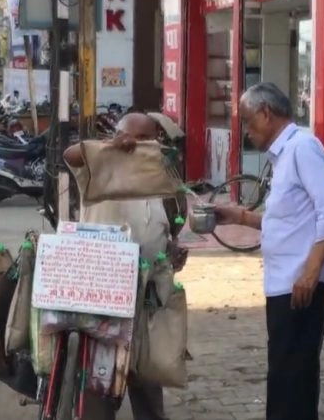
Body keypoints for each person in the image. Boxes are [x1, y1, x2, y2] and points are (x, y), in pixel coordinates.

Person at [213, 82, 324, 420]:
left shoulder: (303, 147)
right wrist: (238, 216)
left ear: (266, 113)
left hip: (300, 284)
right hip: (284, 282)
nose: (247, 131)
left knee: (294, 377)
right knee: (285, 375)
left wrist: (311, 271)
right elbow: (288, 222)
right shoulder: (285, 154)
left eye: (248, 121)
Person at [63, 112, 186, 420]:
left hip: (148, 293)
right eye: (136, 137)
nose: (142, 144)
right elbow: (71, 156)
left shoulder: (155, 172)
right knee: (101, 377)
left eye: (149, 138)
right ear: (119, 135)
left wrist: (170, 250)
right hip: (105, 290)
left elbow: (164, 223)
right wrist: (112, 146)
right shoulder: (101, 164)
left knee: (146, 374)